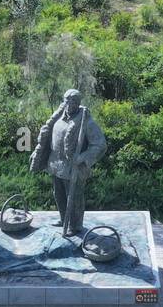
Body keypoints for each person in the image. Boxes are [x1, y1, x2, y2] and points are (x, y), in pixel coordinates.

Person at [30, 89, 107, 236]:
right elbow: (46, 136)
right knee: (58, 194)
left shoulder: (86, 121)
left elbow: (100, 144)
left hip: (73, 167)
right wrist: (38, 151)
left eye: (73, 102)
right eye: (67, 100)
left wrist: (83, 157)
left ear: (78, 103)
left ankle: (75, 225)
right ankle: (63, 218)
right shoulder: (58, 116)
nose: (69, 104)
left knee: (75, 198)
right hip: (56, 165)